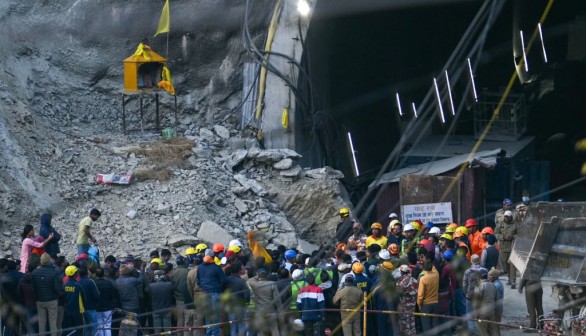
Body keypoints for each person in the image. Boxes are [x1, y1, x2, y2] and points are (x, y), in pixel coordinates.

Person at [196, 249, 226, 336]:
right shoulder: (216, 267)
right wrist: (219, 288)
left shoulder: (200, 267)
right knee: (216, 316)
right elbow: (224, 280)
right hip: (216, 293)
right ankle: (214, 334)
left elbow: (198, 282)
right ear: (213, 257)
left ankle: (208, 333)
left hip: (205, 293)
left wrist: (204, 288)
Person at [31, 253, 62, 336]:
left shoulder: (34, 272)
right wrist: (58, 296)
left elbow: (33, 288)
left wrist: (36, 298)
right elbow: (57, 288)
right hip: (52, 300)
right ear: (49, 261)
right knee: (53, 322)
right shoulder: (54, 273)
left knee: (42, 323)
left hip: (40, 301)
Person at [248, 268, 281, 336]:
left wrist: (258, 276)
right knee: (274, 329)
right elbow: (277, 299)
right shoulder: (272, 284)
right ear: (267, 275)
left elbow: (250, 280)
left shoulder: (255, 284)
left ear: (258, 275)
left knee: (262, 331)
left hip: (260, 311)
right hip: (271, 311)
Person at [224, 261, 250, 336]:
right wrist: (246, 302)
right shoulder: (241, 281)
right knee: (241, 326)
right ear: (239, 271)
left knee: (233, 327)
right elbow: (247, 294)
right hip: (240, 306)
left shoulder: (227, 281)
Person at [494, 210, 518, 288]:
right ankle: (509, 278)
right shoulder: (500, 224)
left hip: (513, 247)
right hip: (503, 247)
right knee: (506, 264)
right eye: (505, 216)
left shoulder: (516, 224)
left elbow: (520, 234)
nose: (506, 218)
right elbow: (496, 234)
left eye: (508, 217)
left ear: (511, 217)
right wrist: (503, 237)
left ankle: (513, 281)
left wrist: (512, 237)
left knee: (512, 264)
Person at [463, 254, 487, 332]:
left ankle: (472, 329)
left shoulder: (468, 271)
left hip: (470, 295)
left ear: (471, 260)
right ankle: (480, 329)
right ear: (479, 260)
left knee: (469, 312)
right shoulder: (484, 270)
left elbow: (465, 284)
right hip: (480, 294)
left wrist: (465, 292)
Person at [417, 258, 440, 335]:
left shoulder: (423, 278)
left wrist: (419, 304)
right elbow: (433, 268)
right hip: (436, 303)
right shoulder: (436, 274)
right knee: (435, 324)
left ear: (424, 268)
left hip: (426, 305)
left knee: (426, 325)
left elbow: (420, 295)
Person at [62, 266, 87, 336]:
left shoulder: (64, 286)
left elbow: (62, 298)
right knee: (80, 330)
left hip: (68, 311)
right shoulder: (78, 285)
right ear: (75, 274)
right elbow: (84, 299)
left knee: (70, 330)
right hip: (78, 311)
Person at [473, 270, 498, 336]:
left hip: (482, 313)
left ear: (480, 278)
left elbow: (476, 303)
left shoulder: (479, 286)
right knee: (492, 330)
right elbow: (496, 298)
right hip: (491, 311)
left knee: (483, 331)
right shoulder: (493, 285)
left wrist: (476, 314)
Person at [94, 267, 118, 336]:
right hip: (107, 307)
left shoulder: (94, 283)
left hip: (97, 308)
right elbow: (112, 295)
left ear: (96, 274)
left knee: (100, 326)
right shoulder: (108, 283)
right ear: (103, 274)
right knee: (107, 326)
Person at [397, 264, 418, 336]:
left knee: (404, 323)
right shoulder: (415, 280)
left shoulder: (401, 282)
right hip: (413, 304)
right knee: (412, 321)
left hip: (404, 305)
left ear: (402, 272)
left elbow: (397, 292)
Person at [488, 268, 503, 336]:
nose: (488, 277)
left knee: (496, 327)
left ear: (494, 277)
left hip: (496, 309)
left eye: (490, 275)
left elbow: (496, 298)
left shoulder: (497, 285)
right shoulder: (495, 283)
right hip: (496, 308)